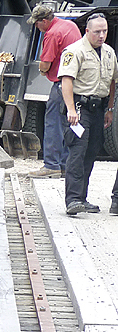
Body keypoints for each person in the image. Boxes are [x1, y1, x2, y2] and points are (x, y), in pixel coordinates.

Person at [58, 12, 118, 216]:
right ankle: (73, 199)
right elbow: (66, 81)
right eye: (97, 32)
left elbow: (112, 82)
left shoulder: (109, 52)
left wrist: (109, 109)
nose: (101, 35)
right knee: (78, 152)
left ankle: (82, 198)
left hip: (99, 109)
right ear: (87, 31)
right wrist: (71, 110)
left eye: (105, 31)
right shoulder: (74, 51)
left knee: (91, 153)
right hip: (80, 108)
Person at [27, 4, 81, 178]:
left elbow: (45, 65)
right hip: (76, 82)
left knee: (53, 123)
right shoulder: (70, 25)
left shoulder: (52, 33)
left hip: (60, 84)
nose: (36, 27)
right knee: (67, 124)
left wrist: (43, 71)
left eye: (37, 24)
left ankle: (51, 165)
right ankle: (65, 165)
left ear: (44, 21)